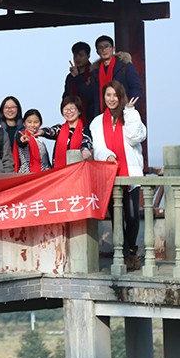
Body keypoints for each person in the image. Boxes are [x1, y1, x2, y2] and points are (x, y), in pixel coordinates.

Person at [90, 80, 147, 270]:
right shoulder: (97, 122)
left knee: (132, 216)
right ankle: (124, 254)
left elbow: (135, 137)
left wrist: (130, 112)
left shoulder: (130, 116)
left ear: (121, 96)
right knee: (117, 216)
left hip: (130, 173)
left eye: (115, 95)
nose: (112, 99)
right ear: (104, 97)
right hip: (110, 174)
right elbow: (98, 145)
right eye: (108, 95)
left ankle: (131, 250)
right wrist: (107, 155)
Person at [93, 35, 143, 112]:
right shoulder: (95, 71)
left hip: (123, 111)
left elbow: (136, 88)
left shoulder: (124, 65)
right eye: (100, 48)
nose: (104, 50)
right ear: (97, 52)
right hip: (103, 113)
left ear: (113, 48)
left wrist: (128, 107)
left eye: (106, 46)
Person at [40, 95, 93, 168]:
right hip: (59, 171)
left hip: (78, 170)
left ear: (79, 111)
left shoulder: (85, 130)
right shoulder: (60, 129)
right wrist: (41, 132)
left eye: (72, 109)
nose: (69, 112)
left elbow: (86, 141)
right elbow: (51, 131)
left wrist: (85, 149)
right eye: (65, 109)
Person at [63, 41, 99, 122]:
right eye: (75, 56)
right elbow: (66, 97)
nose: (77, 58)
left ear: (88, 56)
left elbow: (89, 95)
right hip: (73, 117)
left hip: (91, 117)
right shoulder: (70, 77)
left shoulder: (94, 74)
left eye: (81, 55)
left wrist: (77, 77)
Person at [14, 109, 51, 173]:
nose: (32, 125)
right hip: (26, 174)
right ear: (24, 123)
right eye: (29, 122)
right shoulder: (21, 135)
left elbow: (46, 162)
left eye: (36, 122)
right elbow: (21, 142)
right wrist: (24, 140)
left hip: (43, 175)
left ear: (40, 124)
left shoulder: (41, 142)